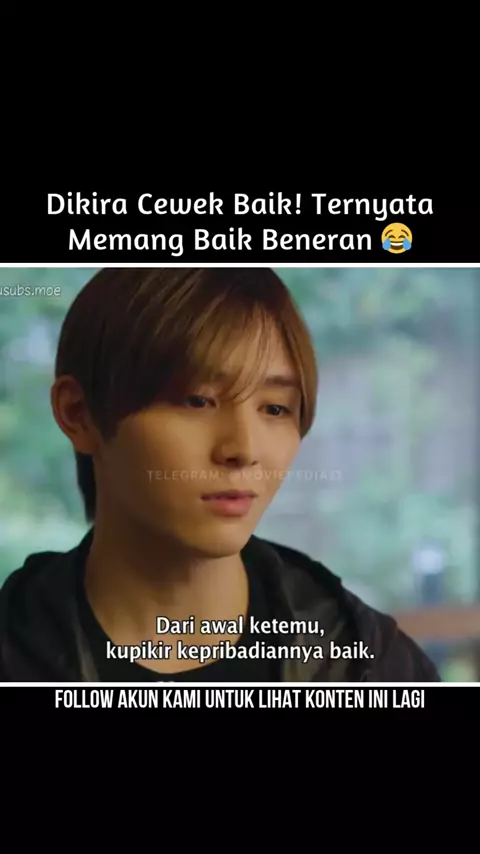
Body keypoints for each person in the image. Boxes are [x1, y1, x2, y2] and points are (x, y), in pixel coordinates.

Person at [0, 268, 439, 682]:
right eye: (197, 401)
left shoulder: (368, 666)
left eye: (275, 408)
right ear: (79, 414)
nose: (244, 450)